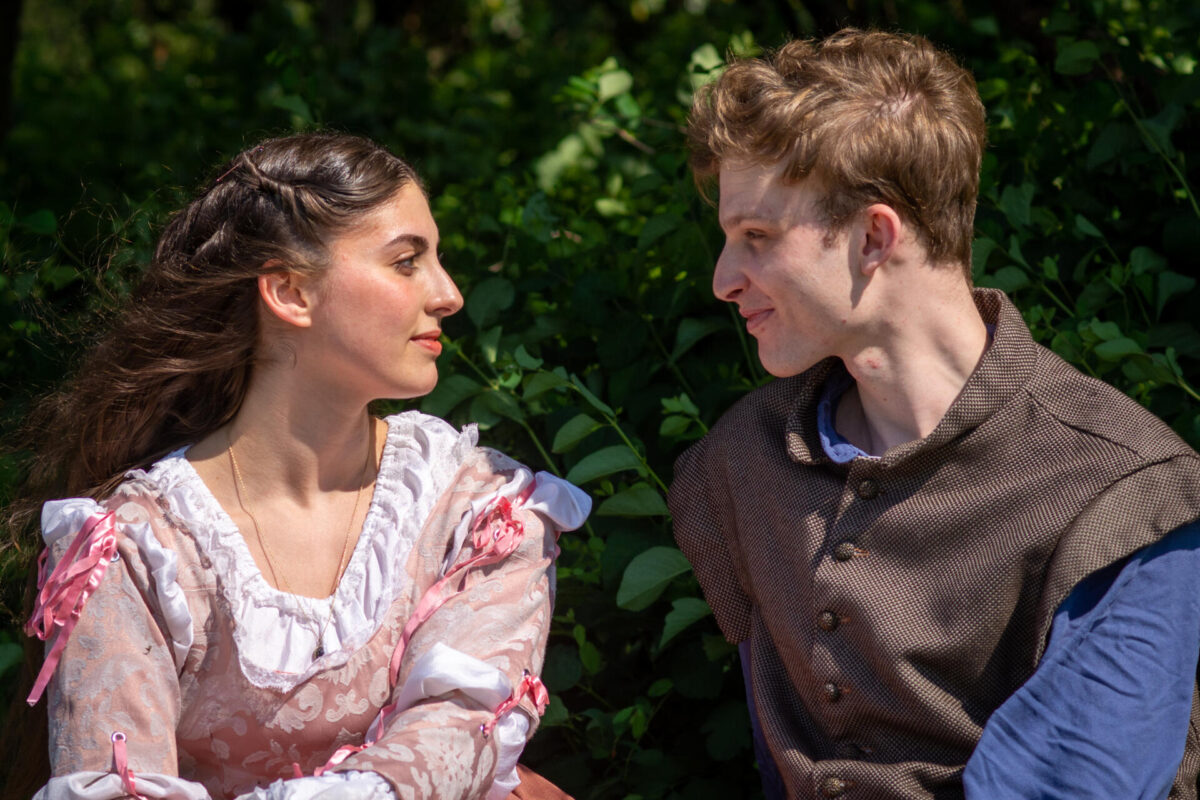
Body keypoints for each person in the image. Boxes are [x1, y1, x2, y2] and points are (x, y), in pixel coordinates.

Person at [669, 29, 1200, 799]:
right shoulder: (742, 462)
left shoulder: (1123, 492)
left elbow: (1070, 787)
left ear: (874, 236)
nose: (723, 279)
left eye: (757, 237)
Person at [10, 133, 590, 800]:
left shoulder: (481, 509)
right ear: (290, 292)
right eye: (407, 262)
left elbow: (455, 738)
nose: (450, 294)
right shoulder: (138, 550)